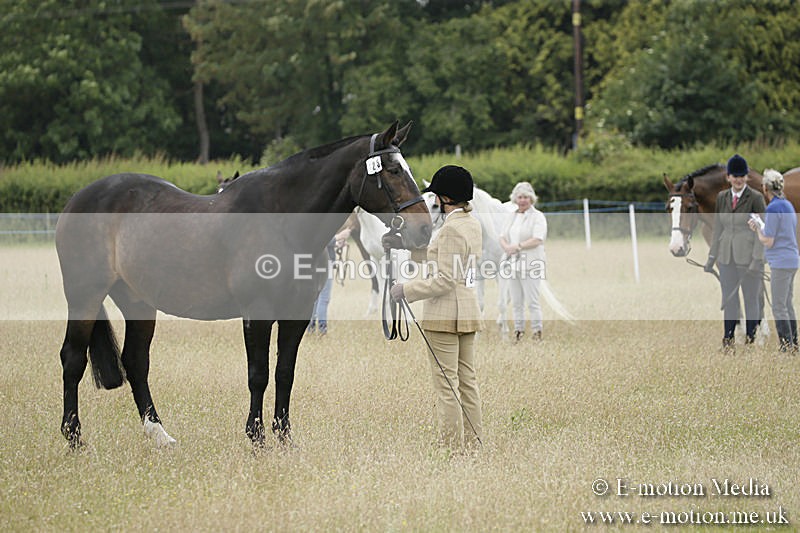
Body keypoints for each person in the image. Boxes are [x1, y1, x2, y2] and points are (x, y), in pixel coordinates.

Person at [388, 165, 484, 450]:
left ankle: (452, 448)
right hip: (467, 310)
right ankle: (473, 445)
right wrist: (403, 246)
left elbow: (445, 279)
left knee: (447, 386)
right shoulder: (471, 224)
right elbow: (442, 260)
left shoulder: (451, 229)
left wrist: (406, 290)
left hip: (445, 315)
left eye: (437, 197)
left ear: (446, 198)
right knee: (467, 383)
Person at [704, 154, 766, 349]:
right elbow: (718, 229)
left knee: (750, 299)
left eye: (741, 176)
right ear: (728, 177)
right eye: (735, 176)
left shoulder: (755, 198)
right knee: (729, 299)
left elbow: (763, 229)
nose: (738, 179)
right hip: (726, 257)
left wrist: (757, 259)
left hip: (748, 257)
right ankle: (728, 340)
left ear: (746, 177)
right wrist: (712, 256)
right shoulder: (722, 197)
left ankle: (751, 339)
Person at [749, 169, 799, 352]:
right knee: (787, 303)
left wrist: (757, 228)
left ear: (765, 188)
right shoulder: (787, 205)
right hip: (792, 259)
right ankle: (794, 343)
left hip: (780, 261)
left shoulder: (772, 208)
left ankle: (786, 346)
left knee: (778, 306)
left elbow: (768, 240)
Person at [498, 181, 548, 343]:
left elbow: (538, 239)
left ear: (531, 198)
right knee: (516, 301)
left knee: (532, 301)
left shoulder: (537, 217)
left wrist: (518, 246)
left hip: (531, 264)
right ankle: (518, 331)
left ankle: (537, 332)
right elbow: (502, 236)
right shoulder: (511, 216)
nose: (523, 200)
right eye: (520, 197)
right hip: (512, 264)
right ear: (515, 199)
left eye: (526, 197)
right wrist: (507, 247)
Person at [307, 227, 351, 335]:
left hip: (315, 262)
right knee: (324, 297)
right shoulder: (321, 224)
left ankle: (311, 327)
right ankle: (322, 328)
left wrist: (335, 244)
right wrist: (338, 237)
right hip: (324, 263)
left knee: (316, 297)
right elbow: (322, 239)